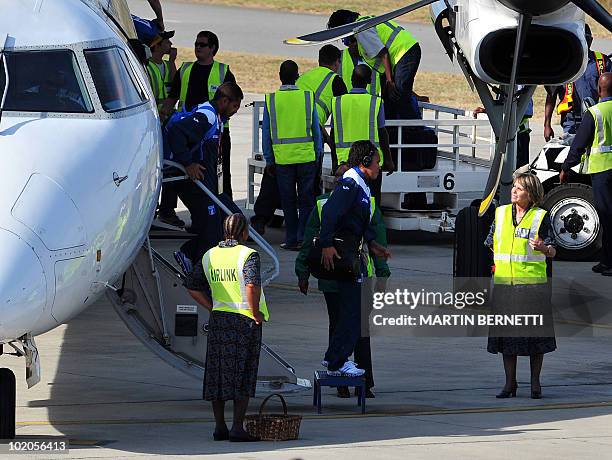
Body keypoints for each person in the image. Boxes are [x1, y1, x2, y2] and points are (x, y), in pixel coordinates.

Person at [295, 164, 390, 397]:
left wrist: (382, 273)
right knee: (341, 326)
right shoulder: (323, 204)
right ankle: (341, 381)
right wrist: (302, 272)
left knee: (358, 329)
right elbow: (309, 241)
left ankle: (363, 381)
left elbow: (376, 238)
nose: (340, 181)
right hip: (332, 278)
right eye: (338, 176)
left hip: (358, 274)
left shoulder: (364, 201)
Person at [185, 213, 268, 442]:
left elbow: (192, 286)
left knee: (217, 374)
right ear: (244, 233)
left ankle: (219, 427)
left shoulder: (210, 255)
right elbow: (251, 285)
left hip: (219, 320)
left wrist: (212, 307)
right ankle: (237, 428)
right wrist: (256, 313)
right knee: (243, 373)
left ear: (224, 232)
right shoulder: (248, 255)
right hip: (244, 322)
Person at [319, 141, 391, 376]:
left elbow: (357, 221)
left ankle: (334, 359)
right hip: (346, 257)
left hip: (355, 254)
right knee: (353, 313)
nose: (379, 166)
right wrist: (327, 243)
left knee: (353, 311)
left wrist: (373, 243)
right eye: (377, 162)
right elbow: (330, 212)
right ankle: (337, 361)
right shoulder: (350, 184)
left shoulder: (361, 184)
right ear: (365, 162)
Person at [485, 173, 557, 399]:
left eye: (520, 188)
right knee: (508, 339)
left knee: (535, 338)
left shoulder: (540, 217)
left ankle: (535, 383)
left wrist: (544, 248)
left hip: (532, 287)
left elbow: (553, 250)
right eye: (514, 187)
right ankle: (510, 384)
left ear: (532, 194)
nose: (514, 191)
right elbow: (490, 242)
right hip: (506, 285)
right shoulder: (501, 213)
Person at [165, 82, 244, 271]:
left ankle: (196, 260)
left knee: (225, 221)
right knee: (212, 230)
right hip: (195, 184)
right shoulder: (207, 115)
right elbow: (177, 132)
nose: (235, 112)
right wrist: (187, 163)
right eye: (234, 107)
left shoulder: (215, 117)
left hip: (208, 186)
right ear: (224, 101)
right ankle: (190, 258)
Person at [162, 31, 237, 199]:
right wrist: (163, 115)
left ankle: (225, 211)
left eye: (202, 44)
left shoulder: (223, 72)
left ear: (213, 48)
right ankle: (168, 212)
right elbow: (172, 97)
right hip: (189, 130)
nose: (197, 47)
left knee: (220, 173)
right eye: (196, 44)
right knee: (175, 168)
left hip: (215, 133)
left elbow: (233, 101)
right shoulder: (186, 69)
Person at [262, 60, 323, 250]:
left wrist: (269, 159)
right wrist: (318, 153)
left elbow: (266, 134)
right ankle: (303, 237)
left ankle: (290, 239)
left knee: (288, 201)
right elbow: (315, 129)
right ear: (298, 76)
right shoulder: (307, 97)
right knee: (306, 200)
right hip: (306, 158)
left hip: (283, 160)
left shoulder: (271, 100)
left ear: (280, 76)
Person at [560, 72, 612, 276]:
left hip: (602, 171)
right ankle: (606, 260)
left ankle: (609, 262)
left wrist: (565, 167)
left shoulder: (595, 113)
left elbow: (578, 144)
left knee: (607, 218)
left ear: (599, 90)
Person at [328, 9, 422, 121]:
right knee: (388, 99)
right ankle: (393, 132)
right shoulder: (363, 24)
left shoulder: (361, 30)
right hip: (400, 54)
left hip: (404, 52)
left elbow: (383, 53)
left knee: (399, 95)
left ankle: (414, 130)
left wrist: (389, 80)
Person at [331, 64, 394, 204]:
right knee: (372, 201)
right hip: (370, 162)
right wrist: (389, 159)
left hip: (345, 161)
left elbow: (333, 134)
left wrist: (335, 162)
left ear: (352, 79)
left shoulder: (338, 102)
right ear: (369, 81)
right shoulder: (375, 102)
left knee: (346, 203)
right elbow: (382, 133)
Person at [544, 25, 611, 140]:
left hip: (598, 117)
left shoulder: (602, 61)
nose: (584, 42)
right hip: (572, 121)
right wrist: (547, 124)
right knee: (574, 154)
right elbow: (551, 95)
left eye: (587, 39)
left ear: (591, 40)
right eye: (581, 39)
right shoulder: (562, 64)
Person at [145, 31, 184, 228]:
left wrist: (172, 61)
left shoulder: (166, 65)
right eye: (166, 40)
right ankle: (153, 211)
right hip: (155, 124)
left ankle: (167, 210)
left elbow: (175, 86)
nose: (170, 43)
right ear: (157, 45)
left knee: (170, 167)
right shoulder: (147, 67)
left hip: (167, 122)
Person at [297, 45, 348, 138]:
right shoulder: (335, 80)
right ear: (336, 63)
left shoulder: (303, 77)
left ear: (319, 61)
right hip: (312, 130)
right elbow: (343, 116)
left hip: (290, 126)